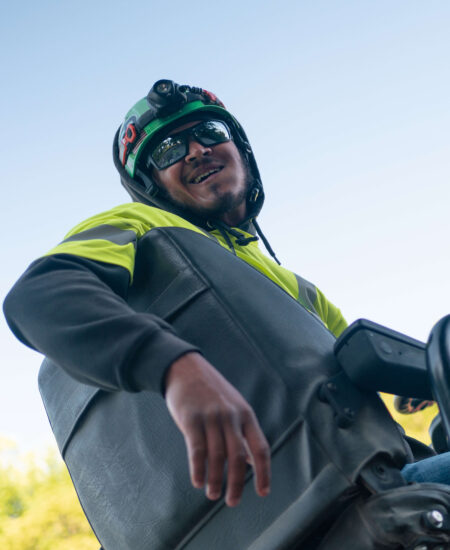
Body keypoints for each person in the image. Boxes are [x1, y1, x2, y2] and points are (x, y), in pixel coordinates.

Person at [3, 79, 444, 547]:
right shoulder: (142, 225)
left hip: (378, 477)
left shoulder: (295, 290)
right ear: (151, 184)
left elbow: (361, 353)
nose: (195, 150)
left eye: (210, 132)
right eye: (170, 149)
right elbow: (40, 294)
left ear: (242, 150)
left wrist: (423, 376)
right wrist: (173, 366)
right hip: (355, 489)